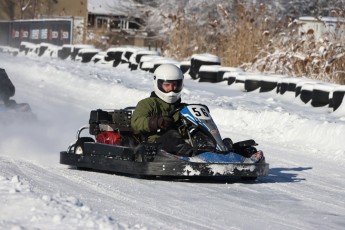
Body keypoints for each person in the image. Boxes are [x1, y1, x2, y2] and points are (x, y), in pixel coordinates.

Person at [131, 64, 193, 157]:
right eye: (167, 85)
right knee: (172, 136)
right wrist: (155, 122)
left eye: (175, 85)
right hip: (154, 144)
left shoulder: (183, 108)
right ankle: (194, 158)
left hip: (180, 143)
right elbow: (135, 122)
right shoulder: (147, 103)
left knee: (199, 134)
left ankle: (209, 152)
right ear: (158, 84)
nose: (172, 89)